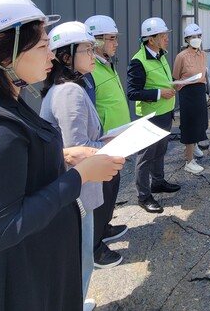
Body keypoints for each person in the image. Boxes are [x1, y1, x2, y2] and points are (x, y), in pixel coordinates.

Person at [0, 0, 124, 311]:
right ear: (5, 54)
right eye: (43, 46)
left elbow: (14, 165)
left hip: (31, 272)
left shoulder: (5, 103)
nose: (52, 56)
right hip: (7, 289)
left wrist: (64, 156)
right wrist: (79, 176)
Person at [39, 21, 119, 311]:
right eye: (87, 49)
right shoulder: (70, 92)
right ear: (66, 56)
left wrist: (108, 138)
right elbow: (78, 150)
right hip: (77, 193)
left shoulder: (70, 87)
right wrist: (115, 144)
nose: (93, 54)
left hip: (75, 189)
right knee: (80, 258)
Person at [84, 15, 130, 266]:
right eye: (111, 38)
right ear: (97, 41)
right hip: (104, 144)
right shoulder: (91, 72)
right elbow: (90, 112)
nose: (116, 43)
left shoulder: (106, 65)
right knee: (100, 194)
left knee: (112, 189)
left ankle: (104, 227)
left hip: (117, 141)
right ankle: (94, 248)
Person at [126, 17, 180, 213]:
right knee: (145, 157)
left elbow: (162, 79)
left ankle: (158, 182)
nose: (167, 39)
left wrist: (174, 83)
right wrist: (159, 93)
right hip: (150, 117)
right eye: (163, 35)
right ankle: (143, 196)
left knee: (160, 152)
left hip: (165, 113)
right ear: (151, 39)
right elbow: (132, 92)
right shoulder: (138, 61)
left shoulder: (160, 55)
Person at [172, 23, 208, 175]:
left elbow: (203, 74)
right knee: (189, 125)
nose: (196, 39)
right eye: (193, 37)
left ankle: (194, 146)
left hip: (200, 90)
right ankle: (189, 161)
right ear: (186, 39)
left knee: (201, 122)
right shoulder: (181, 56)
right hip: (187, 92)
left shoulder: (203, 54)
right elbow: (175, 76)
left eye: (199, 36)